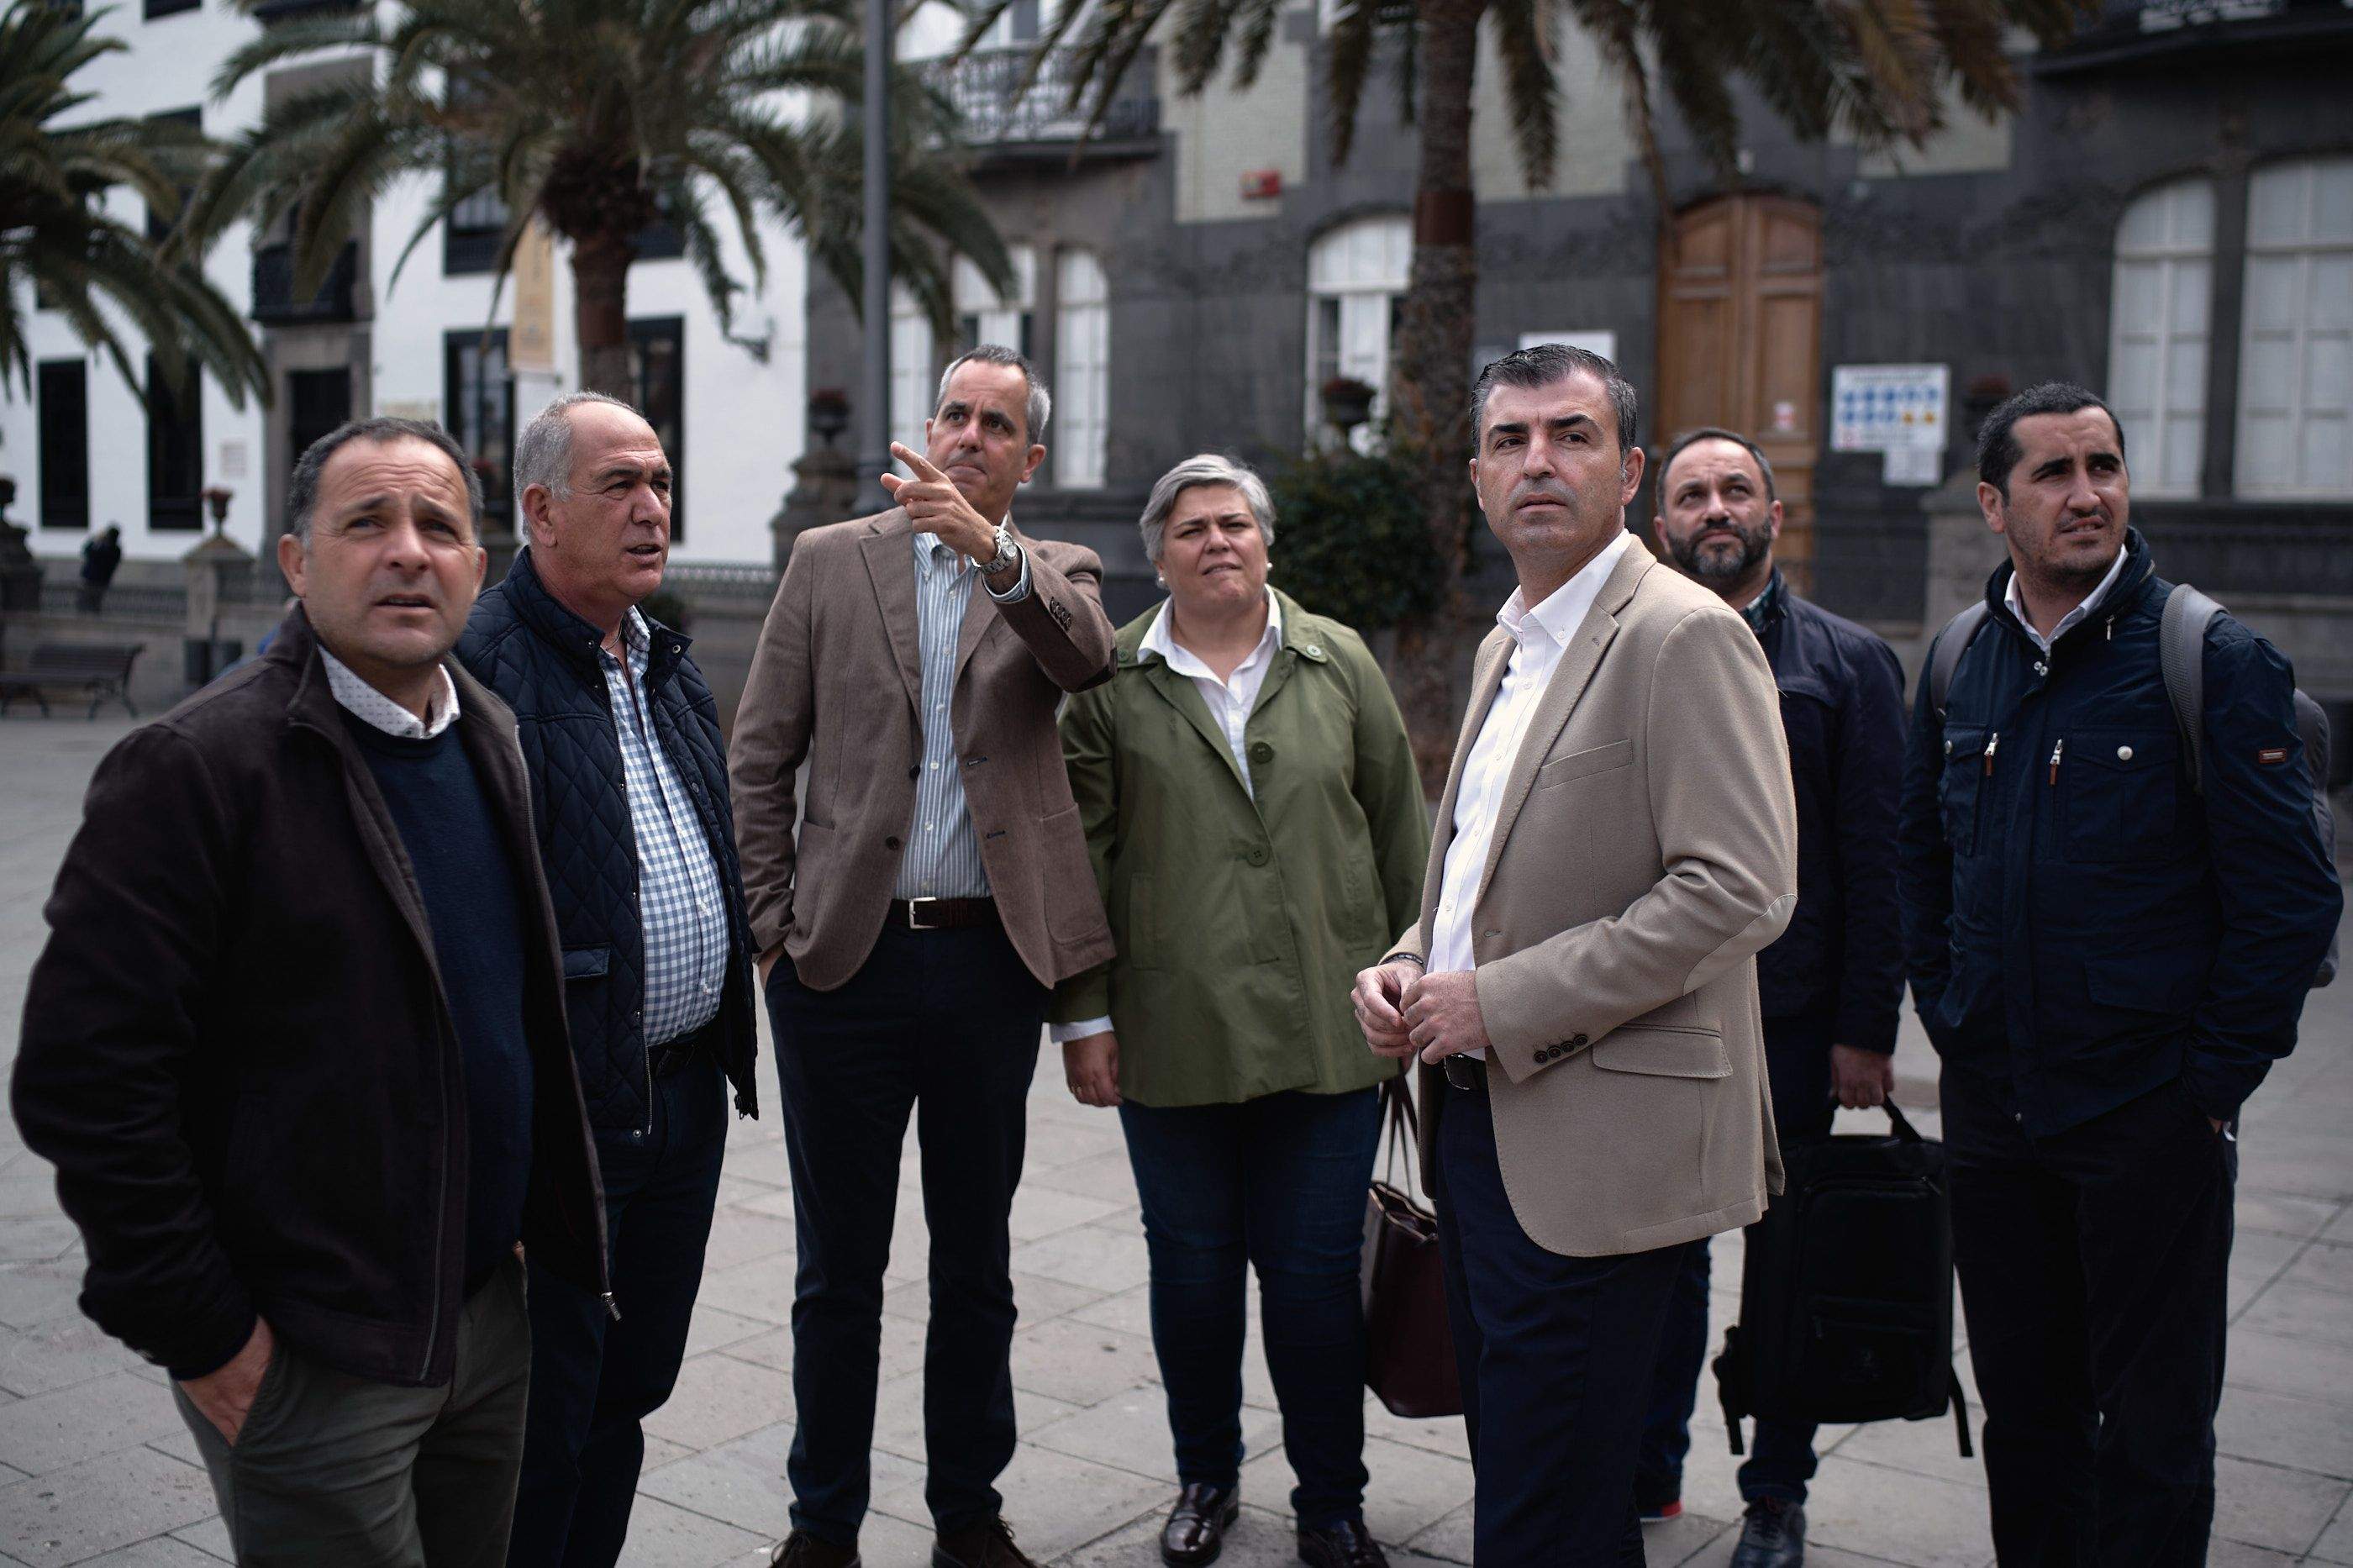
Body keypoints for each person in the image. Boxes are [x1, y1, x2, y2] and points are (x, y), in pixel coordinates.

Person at [12, 418, 608, 1566]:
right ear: (296, 560)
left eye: (439, 525)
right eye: (366, 521)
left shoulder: (487, 731)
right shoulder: (195, 768)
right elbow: (85, 1080)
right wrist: (207, 1335)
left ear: (479, 570)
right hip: (315, 1351)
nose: (407, 551)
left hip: (483, 1319)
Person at [1350, 343, 1798, 1566]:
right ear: (1479, 479)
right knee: (1530, 1474)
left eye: (1572, 434)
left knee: (1553, 1501)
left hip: (1602, 1151)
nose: (1537, 460)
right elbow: (1486, 872)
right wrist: (1406, 960)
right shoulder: (1512, 642)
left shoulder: (1680, 634)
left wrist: (1498, 1000)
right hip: (1484, 1119)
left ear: (1630, 469)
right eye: (1509, 440)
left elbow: (1741, 888)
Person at [1898, 383, 2340, 1567]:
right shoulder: (1956, 664)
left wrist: (2206, 1083)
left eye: (2104, 464)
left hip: (2150, 1120)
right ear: (1995, 504)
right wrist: (1950, 1012)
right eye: (2053, 472)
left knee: (2152, 1435)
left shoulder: (2210, 655)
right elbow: (1919, 859)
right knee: (2028, 1422)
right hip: (1997, 1116)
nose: (2086, 492)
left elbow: (2294, 897)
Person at [729, 345, 1119, 1568]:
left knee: (978, 1263)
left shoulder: (1057, 573)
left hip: (986, 968)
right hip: (840, 967)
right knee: (836, 1269)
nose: (967, 436)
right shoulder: (829, 560)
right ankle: (821, 1522)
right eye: (954, 413)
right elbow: (758, 755)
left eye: (997, 424)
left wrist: (993, 555)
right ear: (925, 426)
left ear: (1028, 459)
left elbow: (1085, 659)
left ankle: (969, 1513)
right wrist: (772, 933)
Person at [1051, 455, 1429, 1568]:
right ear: (1156, 551)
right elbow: (1081, 860)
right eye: (1192, 527)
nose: (1218, 540)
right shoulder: (1111, 677)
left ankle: (1332, 1499)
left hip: (1333, 1031)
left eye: (1236, 524)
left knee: (1315, 1285)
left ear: (1267, 543)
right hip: (1172, 1035)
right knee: (1196, 1277)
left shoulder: (1337, 659)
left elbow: (1404, 830)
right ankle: (1205, 1478)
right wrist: (1084, 1018)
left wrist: (1424, 977)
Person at [455, 392, 761, 1568]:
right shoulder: (483, 667)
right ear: (539, 511)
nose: (652, 510)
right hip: (564, 1124)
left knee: (629, 1394)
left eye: (662, 483)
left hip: (680, 1104)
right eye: (621, 485)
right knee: (544, 1419)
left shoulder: (666, 664)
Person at [1633, 427, 1909, 1565]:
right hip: (1661, 1012)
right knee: (1662, 1254)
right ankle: (1649, 1469)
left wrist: (1864, 1028)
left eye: (1734, 491)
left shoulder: (1848, 663)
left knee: (1790, 1258)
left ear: (1774, 517)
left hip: (1794, 1021)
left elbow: (1879, 854)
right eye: (1692, 494)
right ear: (1661, 525)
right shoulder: (1633, 650)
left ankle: (1776, 1490)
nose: (1713, 510)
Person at [77, 523, 121, 613]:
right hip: (100, 579)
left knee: (88, 601)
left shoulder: (109, 549)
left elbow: (88, 551)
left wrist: (96, 541)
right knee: (92, 601)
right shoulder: (115, 550)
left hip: (94, 579)